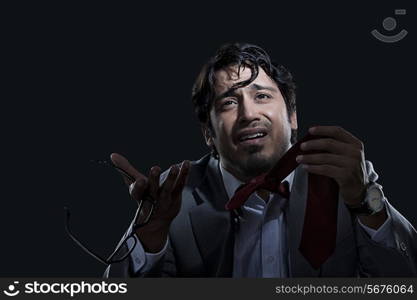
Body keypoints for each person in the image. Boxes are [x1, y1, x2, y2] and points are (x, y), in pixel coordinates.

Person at [103, 43, 417, 277]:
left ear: (293, 115)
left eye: (262, 96)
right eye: (228, 102)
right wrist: (149, 236)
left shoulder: (345, 175)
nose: (248, 114)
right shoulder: (172, 193)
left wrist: (364, 201)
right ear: (208, 133)